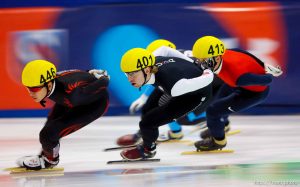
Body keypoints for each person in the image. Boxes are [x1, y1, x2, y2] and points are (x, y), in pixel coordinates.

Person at [119, 47, 214, 160]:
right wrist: (192, 62)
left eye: (133, 74)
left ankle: (148, 150)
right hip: (176, 82)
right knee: (147, 109)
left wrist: (207, 71)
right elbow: (164, 49)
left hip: (196, 95)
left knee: (148, 122)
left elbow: (208, 79)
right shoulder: (152, 60)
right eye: (127, 74)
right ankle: (146, 136)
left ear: (147, 71)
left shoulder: (174, 87)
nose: (130, 79)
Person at [192, 36, 282, 151]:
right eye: (199, 60)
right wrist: (264, 65)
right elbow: (242, 52)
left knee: (213, 111)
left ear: (218, 59)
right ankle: (222, 126)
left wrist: (269, 73)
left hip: (253, 94)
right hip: (234, 82)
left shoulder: (238, 77)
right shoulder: (227, 52)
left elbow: (268, 80)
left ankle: (218, 142)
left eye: (204, 61)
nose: (201, 65)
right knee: (216, 101)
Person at [17, 59, 110, 170]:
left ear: (49, 85)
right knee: (49, 128)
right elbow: (81, 75)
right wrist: (90, 71)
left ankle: (50, 161)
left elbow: (103, 84)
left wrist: (103, 78)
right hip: (68, 100)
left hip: (94, 105)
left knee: (48, 134)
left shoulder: (71, 91)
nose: (31, 93)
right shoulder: (52, 83)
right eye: (28, 88)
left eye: (35, 88)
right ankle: (46, 155)